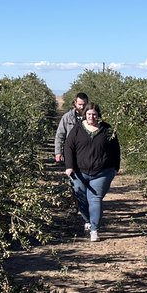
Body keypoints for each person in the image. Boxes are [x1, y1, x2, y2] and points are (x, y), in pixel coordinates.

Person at [63, 103, 120, 242]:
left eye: (94, 114)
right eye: (89, 114)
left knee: (95, 199)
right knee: (81, 198)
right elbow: (68, 147)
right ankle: (87, 220)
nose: (91, 117)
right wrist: (69, 166)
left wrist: (115, 168)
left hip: (102, 172)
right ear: (85, 115)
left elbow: (115, 150)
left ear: (98, 115)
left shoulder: (107, 129)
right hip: (79, 172)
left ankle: (94, 229)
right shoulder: (77, 129)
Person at [54, 92, 90, 227]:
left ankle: (87, 205)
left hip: (88, 153)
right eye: (80, 104)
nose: (82, 107)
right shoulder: (67, 117)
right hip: (71, 154)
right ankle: (77, 205)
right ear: (75, 103)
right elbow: (60, 135)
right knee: (73, 181)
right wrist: (58, 152)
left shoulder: (92, 115)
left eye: (84, 104)